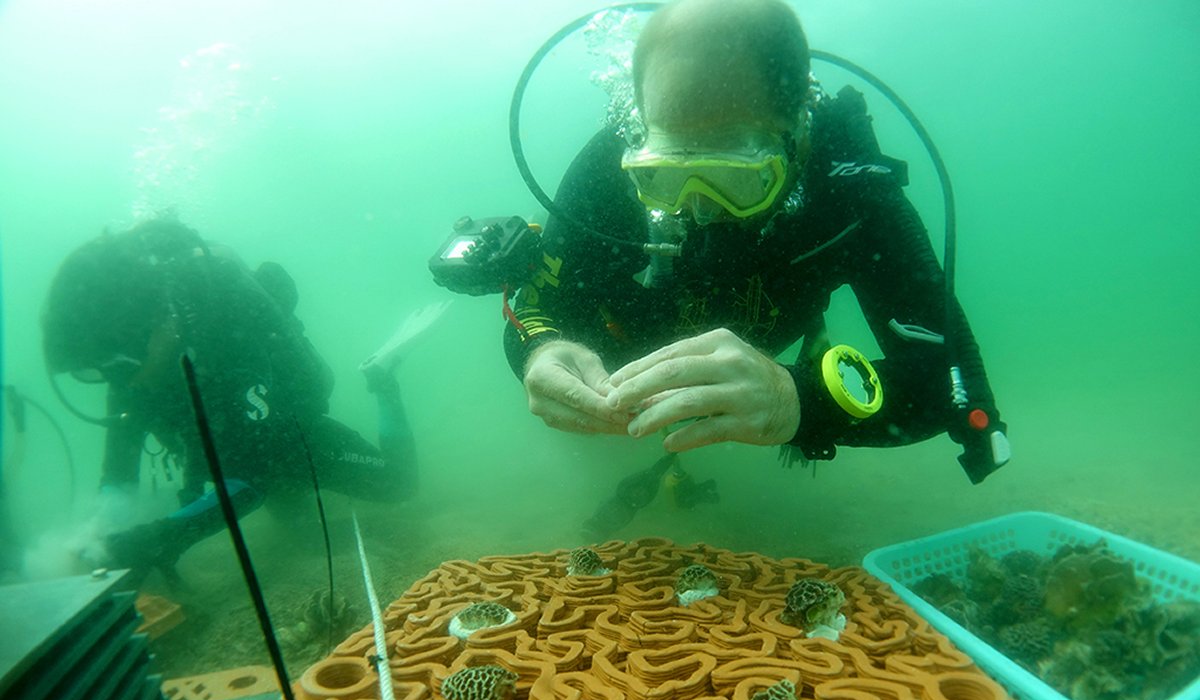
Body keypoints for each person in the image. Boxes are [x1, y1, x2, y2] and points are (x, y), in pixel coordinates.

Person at [504, 0, 1008, 483]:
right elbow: (535, 305)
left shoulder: (849, 193)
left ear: (797, 138)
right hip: (619, 358)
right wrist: (541, 352)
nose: (699, 209)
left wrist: (798, 399)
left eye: (736, 179)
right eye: (663, 177)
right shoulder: (606, 171)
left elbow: (948, 380)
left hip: (767, 357)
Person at [41, 217, 447, 581]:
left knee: (397, 486)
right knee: (302, 536)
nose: (116, 381)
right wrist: (94, 538)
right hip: (246, 450)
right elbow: (118, 471)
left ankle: (381, 379)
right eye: (93, 372)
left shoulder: (227, 332)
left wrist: (161, 537)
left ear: (159, 323)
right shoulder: (129, 365)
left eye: (114, 366)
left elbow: (248, 478)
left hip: (287, 434)